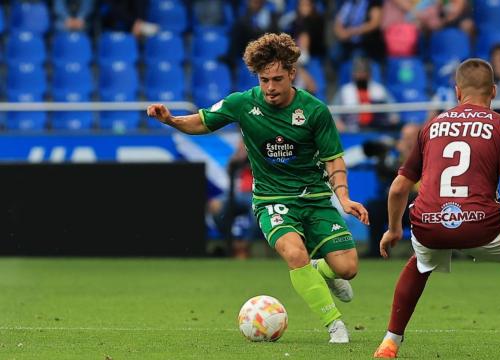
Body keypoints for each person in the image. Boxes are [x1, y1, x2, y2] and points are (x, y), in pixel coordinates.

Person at [147, 33, 369, 344]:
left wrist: (343, 197)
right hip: (272, 200)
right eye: (264, 80)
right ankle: (334, 325)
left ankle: (320, 270)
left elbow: (334, 159)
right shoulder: (242, 103)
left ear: (292, 73)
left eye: (277, 79)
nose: (270, 88)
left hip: (315, 197)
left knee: (347, 269)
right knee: (295, 253)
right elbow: (202, 121)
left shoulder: (315, 111)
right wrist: (170, 120)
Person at [373, 59, 500, 359]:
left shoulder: (431, 127)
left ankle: (389, 343)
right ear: (493, 91)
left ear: (456, 91)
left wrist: (393, 228)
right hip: (480, 224)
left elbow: (399, 186)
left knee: (421, 261)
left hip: (429, 223)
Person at [365, 123, 421, 258]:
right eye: (404, 137)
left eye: (410, 137)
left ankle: (424, 251)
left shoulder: (425, 154)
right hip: (399, 203)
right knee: (373, 207)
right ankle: (377, 251)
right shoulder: (394, 158)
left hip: (418, 201)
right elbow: (385, 176)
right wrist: (383, 157)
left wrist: (409, 154)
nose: (406, 141)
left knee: (415, 200)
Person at [332, 57, 399, 132]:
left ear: (369, 74)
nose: (361, 75)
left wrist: (393, 117)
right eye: (358, 72)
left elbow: (393, 108)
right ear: (353, 74)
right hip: (351, 130)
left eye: (364, 72)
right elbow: (334, 111)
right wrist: (337, 122)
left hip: (377, 130)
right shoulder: (344, 91)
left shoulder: (380, 90)